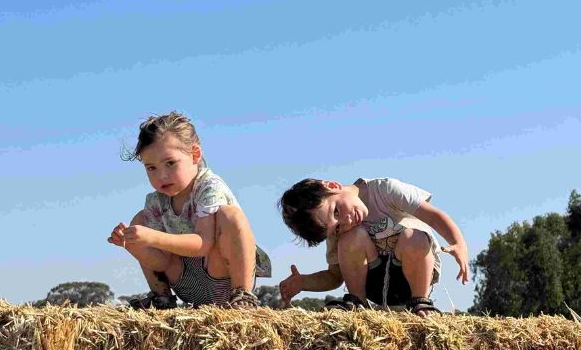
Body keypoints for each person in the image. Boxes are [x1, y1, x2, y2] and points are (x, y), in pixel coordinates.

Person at [108, 112, 271, 309]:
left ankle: (243, 296)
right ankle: (162, 297)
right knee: (140, 220)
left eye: (170, 163)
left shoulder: (209, 188)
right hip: (187, 285)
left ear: (195, 155)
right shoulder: (156, 202)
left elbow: (203, 244)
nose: (161, 175)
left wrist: (152, 237)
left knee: (231, 216)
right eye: (151, 168)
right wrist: (133, 245)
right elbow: (161, 263)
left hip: (222, 279)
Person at [277, 176, 468, 316]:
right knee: (351, 237)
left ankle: (421, 302)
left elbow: (433, 216)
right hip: (373, 283)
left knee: (413, 237)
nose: (346, 221)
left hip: (413, 277)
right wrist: (303, 282)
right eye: (336, 228)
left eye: (336, 211)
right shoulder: (341, 232)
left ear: (333, 186)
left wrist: (457, 243)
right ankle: (357, 303)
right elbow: (335, 276)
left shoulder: (385, 190)